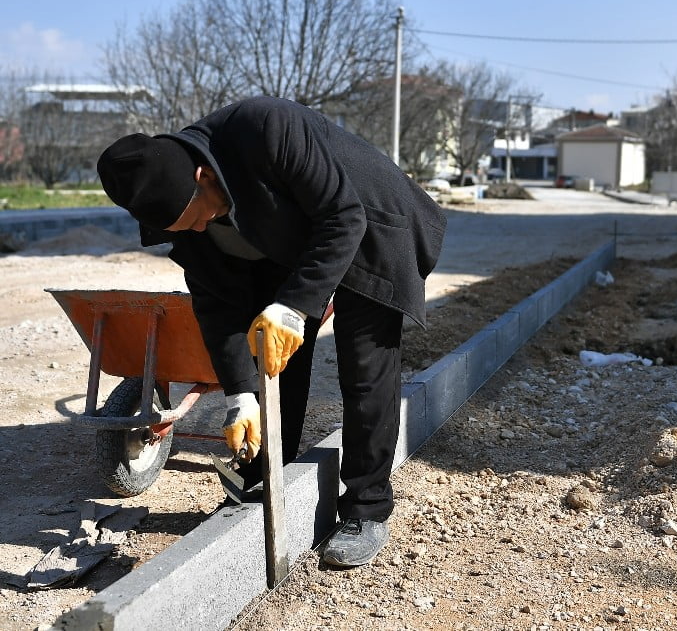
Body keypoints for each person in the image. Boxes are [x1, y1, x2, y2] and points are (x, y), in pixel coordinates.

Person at [97, 96, 447, 568]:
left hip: (370, 226)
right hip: (288, 236)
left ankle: (367, 509)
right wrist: (240, 394)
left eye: (196, 216)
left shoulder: (266, 129)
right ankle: (263, 477)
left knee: (364, 366)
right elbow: (216, 307)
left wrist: (294, 306)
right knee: (269, 352)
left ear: (203, 177)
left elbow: (344, 218)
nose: (197, 229)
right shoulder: (189, 226)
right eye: (185, 228)